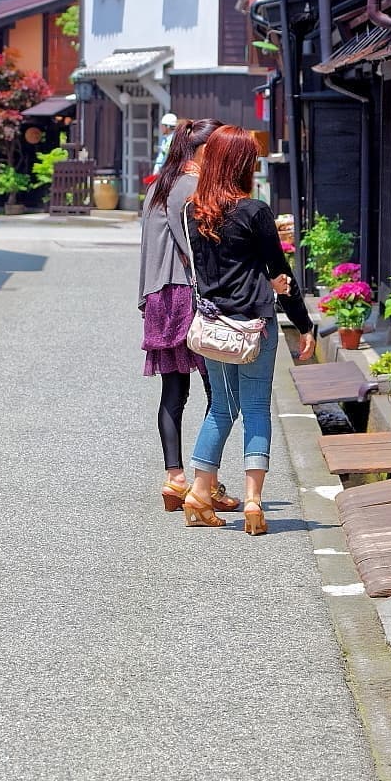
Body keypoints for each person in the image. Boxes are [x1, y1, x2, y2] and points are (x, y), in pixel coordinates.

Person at [181, 125, 315, 535]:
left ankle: (198, 494)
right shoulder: (254, 211)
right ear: (242, 163)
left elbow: (206, 271)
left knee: (222, 407)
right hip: (254, 326)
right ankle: (254, 504)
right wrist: (304, 323)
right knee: (256, 408)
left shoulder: (193, 210)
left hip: (212, 327)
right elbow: (281, 272)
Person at [137, 119, 243, 515]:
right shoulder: (193, 188)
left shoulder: (158, 185)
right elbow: (197, 248)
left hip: (159, 297)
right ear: (204, 151)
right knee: (220, 394)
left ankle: (175, 478)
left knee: (173, 392)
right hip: (188, 294)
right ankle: (207, 483)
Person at [149, 112, 179, 177]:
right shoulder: (165, 139)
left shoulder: (172, 140)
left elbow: (164, 155)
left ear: (167, 127)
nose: (161, 128)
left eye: (162, 125)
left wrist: (158, 168)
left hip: (169, 173)